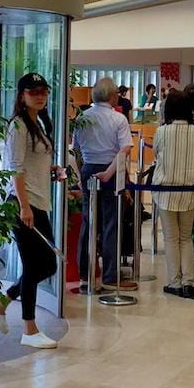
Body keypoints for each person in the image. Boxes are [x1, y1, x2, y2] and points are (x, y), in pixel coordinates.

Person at [0, 73, 63, 349]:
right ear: (22, 96)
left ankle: (2, 302)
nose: (40, 96)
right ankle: (30, 329)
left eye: (44, 91)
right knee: (36, 265)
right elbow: (15, 168)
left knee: (47, 264)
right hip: (24, 204)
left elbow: (35, 163)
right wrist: (23, 206)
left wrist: (53, 170)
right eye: (34, 92)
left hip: (39, 202)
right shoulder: (18, 126)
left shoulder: (38, 123)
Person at [73, 78, 132, 290]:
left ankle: (84, 274)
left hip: (88, 168)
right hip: (111, 170)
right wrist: (108, 173)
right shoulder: (119, 119)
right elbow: (124, 150)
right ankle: (109, 275)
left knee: (89, 223)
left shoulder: (82, 117)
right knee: (111, 224)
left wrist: (80, 176)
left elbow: (76, 148)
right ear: (112, 96)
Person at [152, 90, 194, 297]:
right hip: (189, 191)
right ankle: (189, 282)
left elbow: (157, 154)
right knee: (186, 237)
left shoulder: (162, 132)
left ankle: (174, 281)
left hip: (165, 191)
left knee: (171, 238)